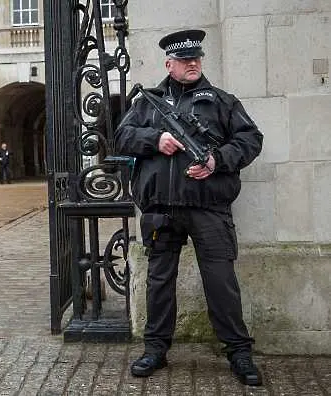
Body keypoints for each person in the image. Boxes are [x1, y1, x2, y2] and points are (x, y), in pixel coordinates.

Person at [115, 30, 264, 386]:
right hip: (161, 207)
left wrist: (217, 160)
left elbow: (251, 139)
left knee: (221, 281)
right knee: (159, 281)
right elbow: (121, 136)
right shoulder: (147, 103)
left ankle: (239, 352)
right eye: (184, 60)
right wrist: (155, 139)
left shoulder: (221, 101)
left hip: (207, 206)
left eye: (196, 58)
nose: (192, 63)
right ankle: (155, 349)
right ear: (169, 64)